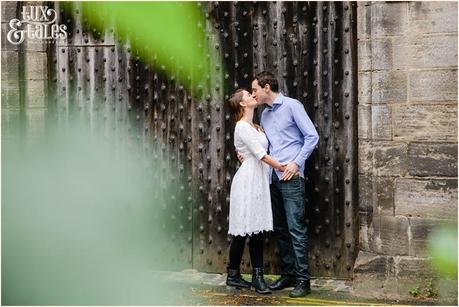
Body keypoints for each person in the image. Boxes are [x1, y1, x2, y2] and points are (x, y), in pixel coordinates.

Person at [251, 71, 319, 298]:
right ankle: (289, 274)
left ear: (267, 87)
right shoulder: (265, 115)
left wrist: (296, 163)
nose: (254, 94)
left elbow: (312, 136)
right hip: (273, 178)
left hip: (291, 178)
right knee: (280, 229)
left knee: (296, 229)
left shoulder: (292, 106)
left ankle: (303, 280)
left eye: (255, 90)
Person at [226, 89, 287, 294]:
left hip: (259, 179)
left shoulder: (256, 127)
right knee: (245, 228)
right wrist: (282, 166)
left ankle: (250, 275)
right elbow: (261, 155)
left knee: (257, 227)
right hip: (247, 181)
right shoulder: (241, 127)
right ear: (242, 104)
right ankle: (237, 275)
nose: (253, 96)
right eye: (248, 96)